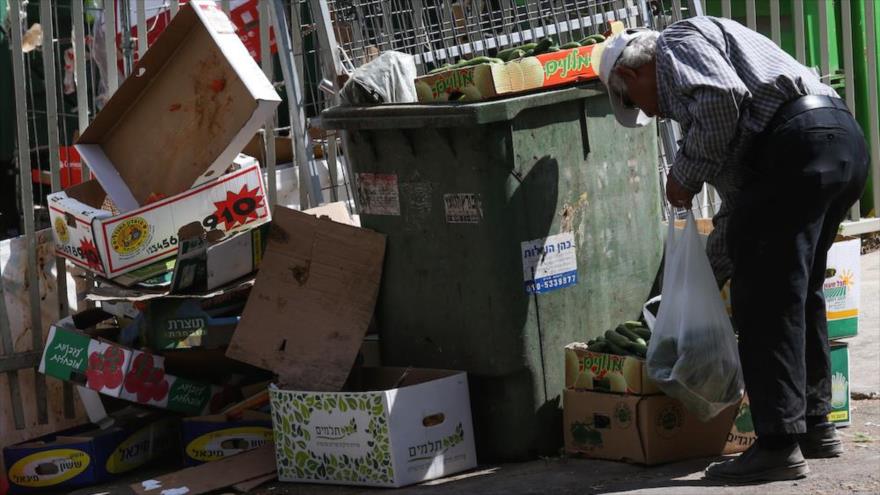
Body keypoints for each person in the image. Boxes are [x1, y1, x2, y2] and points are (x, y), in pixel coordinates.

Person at [596, 17, 869, 482]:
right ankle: (816, 425)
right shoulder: (724, 114)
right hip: (838, 141)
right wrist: (700, 279)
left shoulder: (675, 44)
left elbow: (722, 100)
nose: (652, 114)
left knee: (763, 300)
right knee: (796, 291)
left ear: (628, 76)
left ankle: (779, 443)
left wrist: (684, 173)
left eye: (636, 105)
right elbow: (742, 208)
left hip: (798, 144)